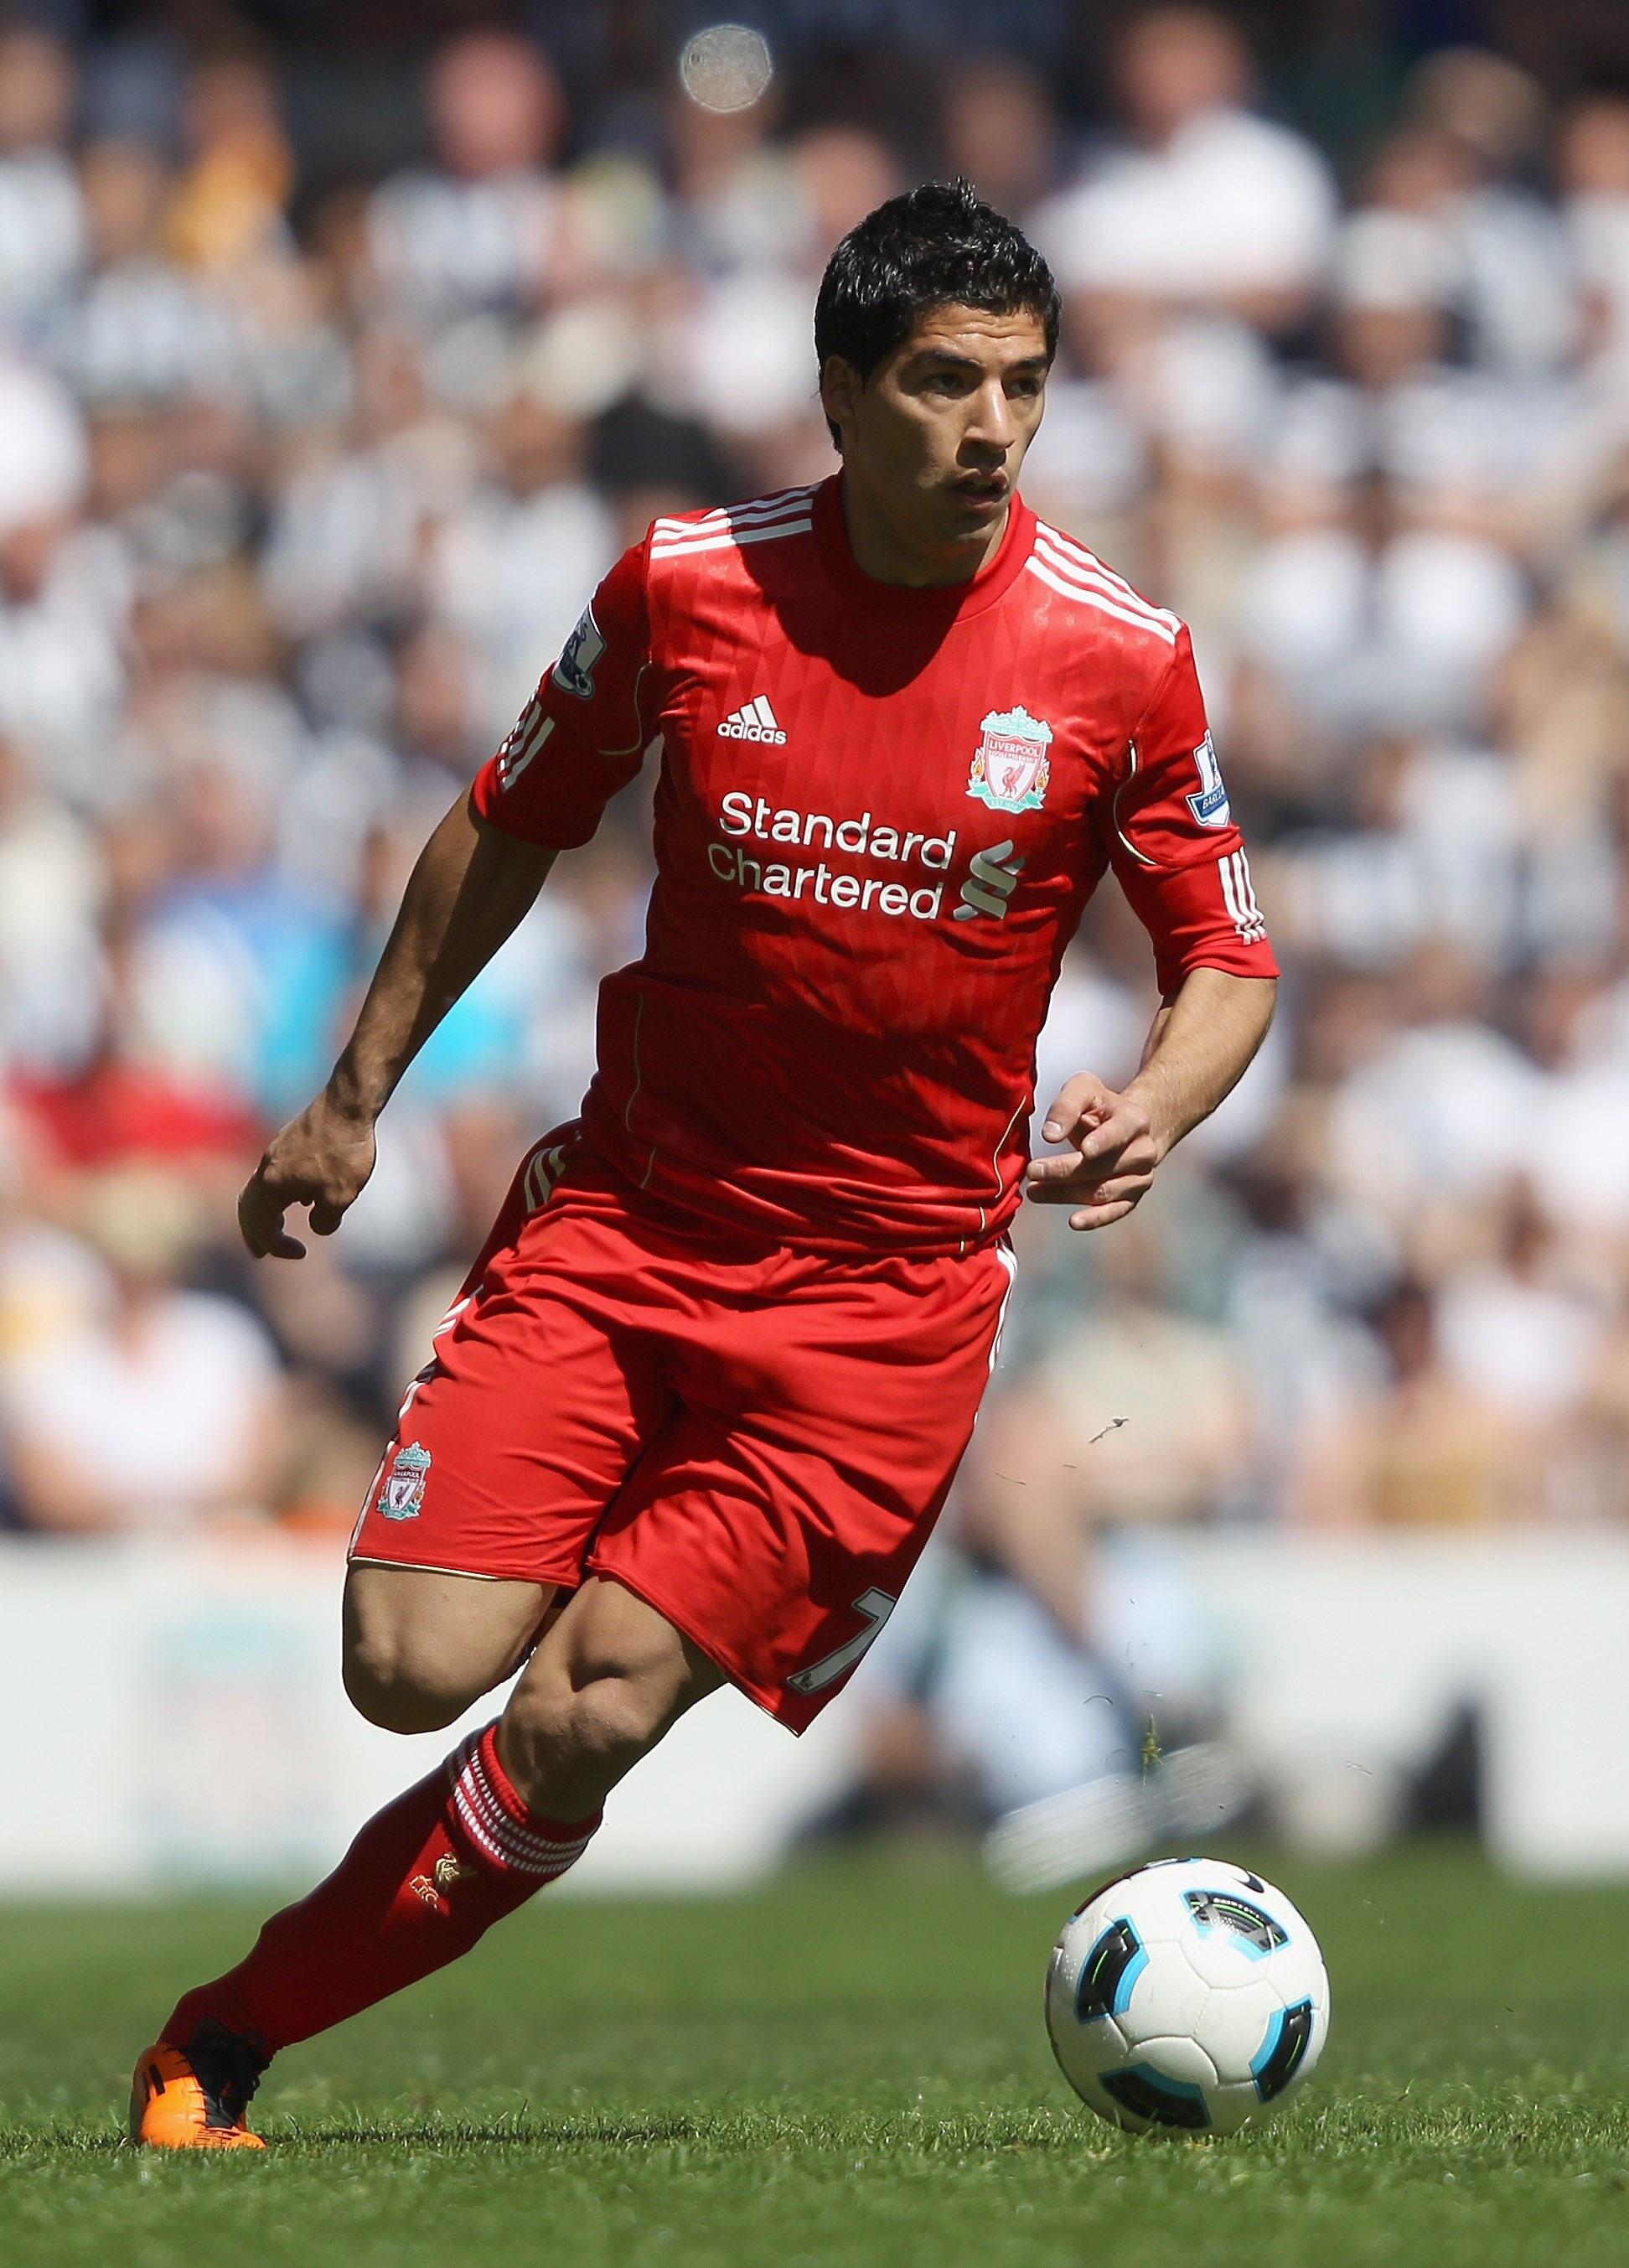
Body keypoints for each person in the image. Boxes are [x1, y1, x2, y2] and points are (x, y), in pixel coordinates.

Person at [129, 179, 1277, 2149]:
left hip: (883, 1318)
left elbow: (1229, 960)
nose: (989, 425)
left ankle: (217, 2041)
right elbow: (505, 824)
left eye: (1020, 383)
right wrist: (354, 1091)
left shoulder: (1121, 656)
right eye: (939, 382)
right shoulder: (686, 582)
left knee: (582, 1713)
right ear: (842, 394)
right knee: (409, 1670)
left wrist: (1162, 1098)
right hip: (630, 1231)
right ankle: (590, 1526)